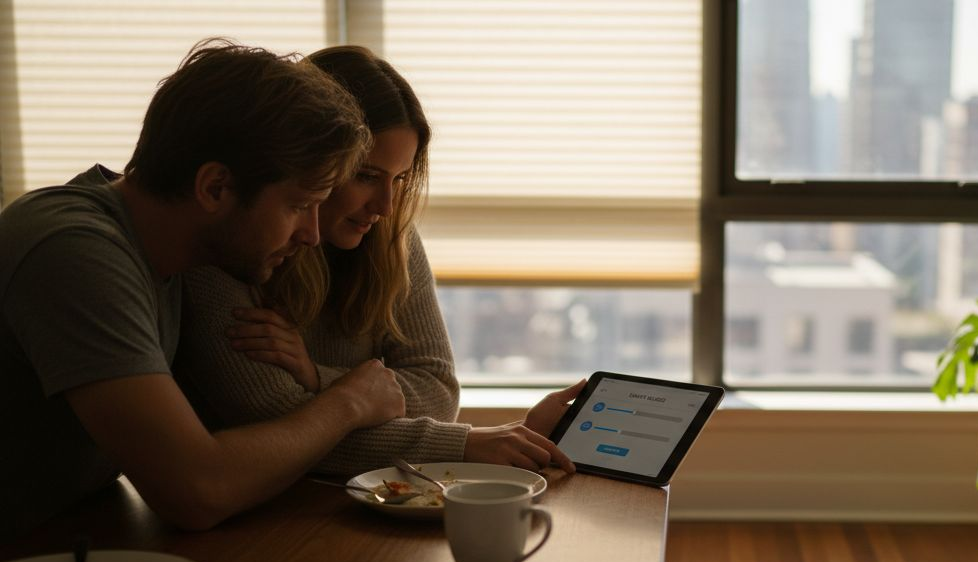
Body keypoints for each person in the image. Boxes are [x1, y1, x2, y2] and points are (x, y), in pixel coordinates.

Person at [0, 41, 407, 536]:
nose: (311, 235)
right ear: (215, 188)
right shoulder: (73, 250)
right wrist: (349, 403)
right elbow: (197, 489)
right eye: (299, 205)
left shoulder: (163, 255)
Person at [175, 46, 580, 476]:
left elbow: (439, 394)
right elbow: (274, 425)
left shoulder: (391, 240)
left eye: (400, 178)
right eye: (366, 176)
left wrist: (318, 378)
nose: (386, 206)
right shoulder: (235, 243)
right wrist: (461, 445)